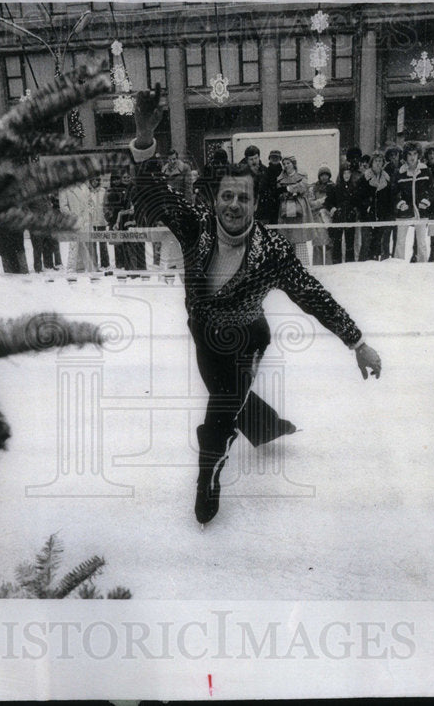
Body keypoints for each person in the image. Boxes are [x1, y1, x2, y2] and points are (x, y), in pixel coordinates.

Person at [127, 85, 381, 525]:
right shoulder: (197, 225)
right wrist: (145, 139)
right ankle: (264, 424)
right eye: (227, 196)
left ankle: (209, 476)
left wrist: (357, 342)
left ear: (255, 204)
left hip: (248, 337)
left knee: (221, 406)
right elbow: (152, 198)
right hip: (204, 331)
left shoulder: (274, 252)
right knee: (223, 393)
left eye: (243, 198)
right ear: (215, 199)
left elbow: (314, 297)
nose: (233, 205)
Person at [393, 142, 432, 262]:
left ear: (418, 155)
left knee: (422, 242)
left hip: (421, 211)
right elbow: (394, 192)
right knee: (400, 242)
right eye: (409, 154)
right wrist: (400, 203)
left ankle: (422, 266)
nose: (412, 157)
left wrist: (426, 201)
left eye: (415, 154)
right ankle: (398, 266)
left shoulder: (425, 171)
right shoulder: (400, 172)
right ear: (405, 156)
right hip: (404, 212)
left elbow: (432, 189)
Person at [328, 164, 364, 263]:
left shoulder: (354, 187)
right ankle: (337, 262)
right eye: (344, 173)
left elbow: (358, 201)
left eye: (348, 173)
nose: (347, 175)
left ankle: (350, 263)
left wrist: (355, 210)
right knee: (337, 242)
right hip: (338, 218)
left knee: (350, 242)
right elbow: (328, 202)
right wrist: (333, 209)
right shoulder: (335, 188)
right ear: (341, 174)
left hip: (350, 217)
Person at [363, 151, 394, 260]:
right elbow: (360, 195)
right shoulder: (365, 177)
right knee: (367, 242)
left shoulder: (386, 178)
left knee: (380, 240)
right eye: (376, 161)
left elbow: (390, 197)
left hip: (382, 213)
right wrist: (366, 205)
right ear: (372, 162)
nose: (378, 163)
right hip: (368, 213)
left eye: (380, 161)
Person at [309, 164, 336, 264]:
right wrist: (322, 201)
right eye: (322, 175)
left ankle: (330, 265)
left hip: (329, 219)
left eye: (326, 175)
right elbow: (310, 204)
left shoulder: (333, 187)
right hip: (317, 218)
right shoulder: (313, 188)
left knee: (330, 244)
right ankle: (317, 265)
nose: (324, 177)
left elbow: (335, 201)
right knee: (318, 244)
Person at [257, 150, 284, 225]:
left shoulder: (283, 172)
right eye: (273, 157)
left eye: (277, 157)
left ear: (280, 159)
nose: (275, 159)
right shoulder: (265, 171)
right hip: (268, 205)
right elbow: (262, 188)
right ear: (269, 159)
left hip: (281, 202)